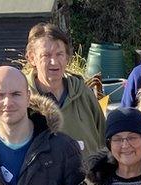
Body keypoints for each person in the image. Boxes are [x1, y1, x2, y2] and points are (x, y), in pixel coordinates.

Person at [24, 22, 105, 155]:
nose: (54, 62)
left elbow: (104, 139)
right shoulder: (22, 99)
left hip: (88, 175)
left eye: (59, 54)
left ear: (67, 57)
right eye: (46, 55)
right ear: (32, 58)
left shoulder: (84, 94)